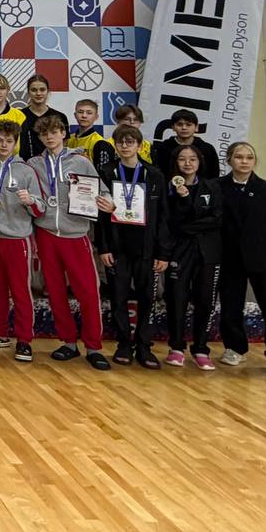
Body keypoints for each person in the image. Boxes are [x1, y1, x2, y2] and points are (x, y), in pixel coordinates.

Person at [26, 115, 111, 370]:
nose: (49, 137)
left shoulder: (81, 161)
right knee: (55, 291)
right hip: (46, 234)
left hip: (75, 234)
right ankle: (69, 342)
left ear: (63, 133)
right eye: (44, 134)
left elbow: (102, 191)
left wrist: (108, 203)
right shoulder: (34, 164)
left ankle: (94, 346)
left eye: (54, 132)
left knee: (88, 291)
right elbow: (33, 196)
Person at [96, 124, 170, 369]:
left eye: (130, 142)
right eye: (120, 142)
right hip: (117, 246)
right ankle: (124, 343)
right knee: (118, 296)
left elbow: (163, 216)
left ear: (139, 145)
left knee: (147, 297)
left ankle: (144, 345)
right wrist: (103, 247)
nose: (125, 146)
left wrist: (163, 252)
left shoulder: (154, 174)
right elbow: (100, 215)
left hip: (146, 247)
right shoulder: (107, 171)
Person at [218, 142, 266, 377]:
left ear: (254, 161)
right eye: (239, 157)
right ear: (229, 160)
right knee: (231, 305)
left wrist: (264, 245)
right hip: (230, 257)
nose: (244, 161)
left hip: (263, 257)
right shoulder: (218, 187)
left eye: (249, 157)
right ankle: (234, 348)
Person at [0, 119, 41, 362]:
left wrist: (31, 201)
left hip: (17, 238)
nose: (3, 144)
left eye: (8, 141)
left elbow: (40, 207)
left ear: (16, 143)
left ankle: (24, 340)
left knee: (20, 290)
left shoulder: (26, 171)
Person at [164, 144, 223, 371]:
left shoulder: (212, 186)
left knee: (205, 301)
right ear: (175, 162)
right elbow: (171, 221)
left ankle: (201, 349)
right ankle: (176, 347)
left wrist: (187, 226)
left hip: (208, 251)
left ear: (199, 162)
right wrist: (183, 199)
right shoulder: (169, 187)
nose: (187, 163)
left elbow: (217, 219)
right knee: (176, 299)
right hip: (179, 250)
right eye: (182, 159)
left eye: (192, 159)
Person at [155, 109, 221, 180]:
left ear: (196, 127)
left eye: (188, 125)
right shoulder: (163, 148)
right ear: (173, 127)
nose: (184, 128)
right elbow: (157, 173)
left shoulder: (207, 149)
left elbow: (214, 175)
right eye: (179, 124)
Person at [17, 74, 68, 161]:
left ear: (48, 91)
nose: (38, 93)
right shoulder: (19, 116)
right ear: (28, 92)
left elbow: (64, 146)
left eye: (42, 89)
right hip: (25, 165)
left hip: (54, 165)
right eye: (34, 90)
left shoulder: (60, 117)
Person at [66, 98, 116, 174]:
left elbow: (104, 175)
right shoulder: (68, 139)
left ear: (96, 117)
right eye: (80, 112)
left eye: (89, 113)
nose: (84, 116)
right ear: (75, 115)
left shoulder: (100, 143)